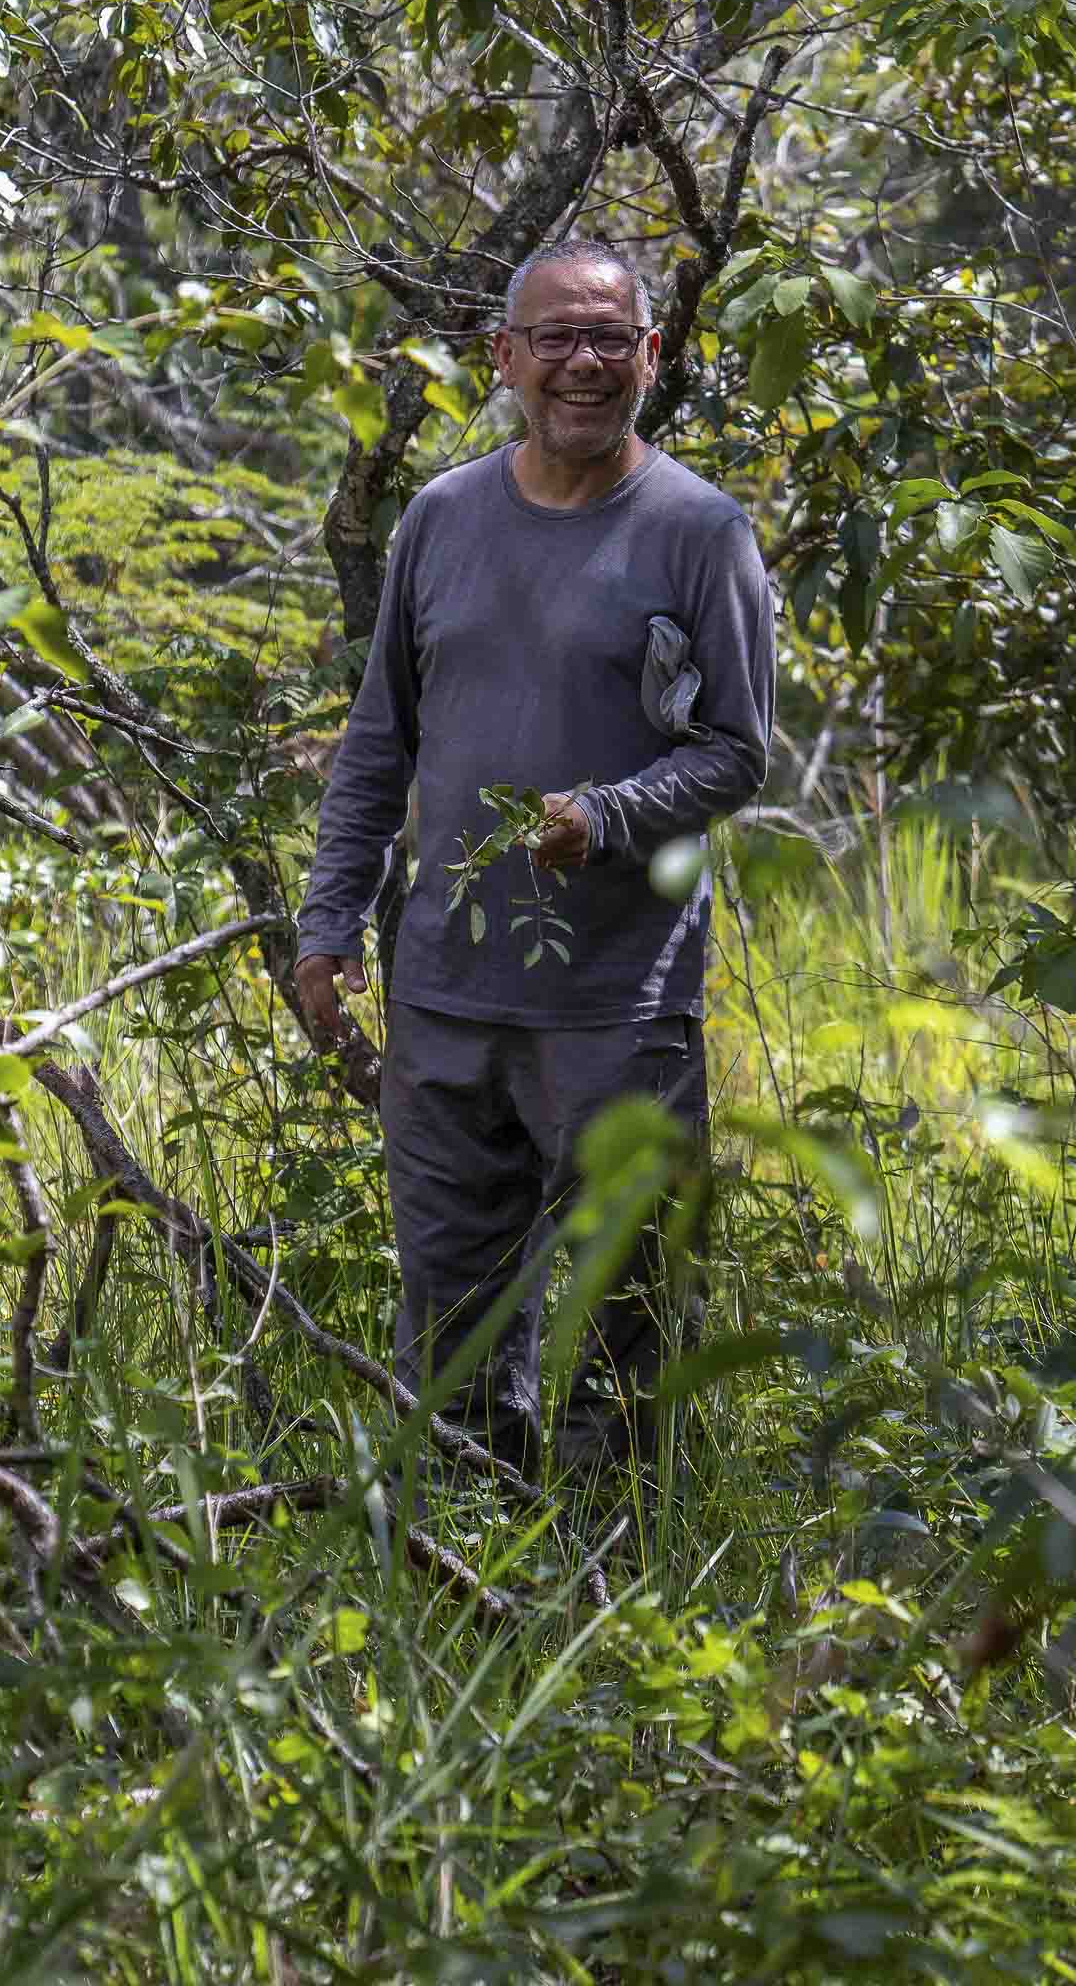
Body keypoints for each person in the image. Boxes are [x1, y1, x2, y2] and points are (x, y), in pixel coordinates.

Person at [294, 240, 776, 1484]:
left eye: (609, 337)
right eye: (555, 336)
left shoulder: (699, 531)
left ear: (650, 356)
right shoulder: (442, 519)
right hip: (445, 1002)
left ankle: (616, 1569)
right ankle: (466, 1563)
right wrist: (329, 922)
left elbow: (739, 752)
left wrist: (609, 814)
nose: (582, 362)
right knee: (452, 1334)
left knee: (627, 1329)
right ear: (505, 357)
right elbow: (380, 740)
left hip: (618, 1010)